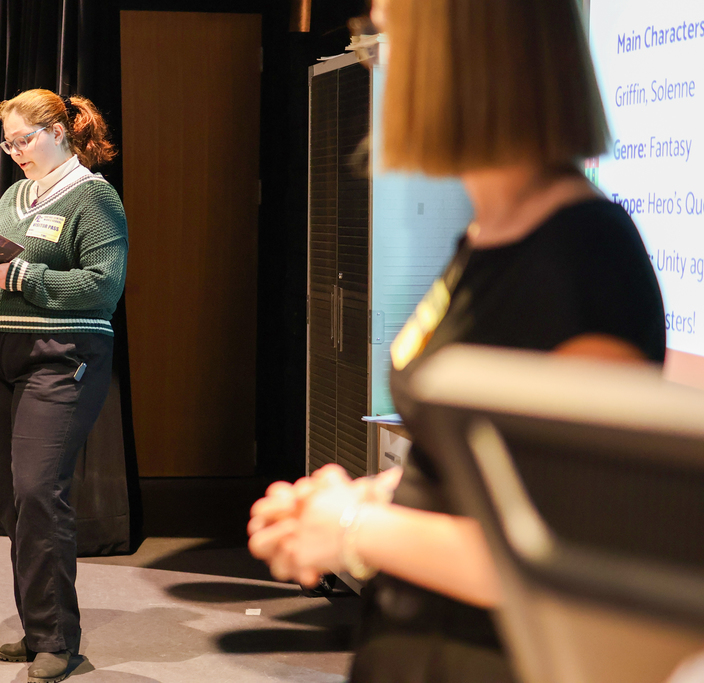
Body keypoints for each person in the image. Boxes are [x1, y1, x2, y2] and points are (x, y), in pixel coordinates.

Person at [248, 0, 666, 681]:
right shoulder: (486, 235)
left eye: (386, 35)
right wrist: (362, 497)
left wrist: (353, 528)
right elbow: (474, 469)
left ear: (465, 53)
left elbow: (570, 549)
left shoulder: (585, 255)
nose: (374, 55)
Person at [0, 89, 127, 683]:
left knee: (37, 489)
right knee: (10, 498)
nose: (16, 151)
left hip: (60, 356)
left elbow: (103, 286)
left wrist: (22, 272)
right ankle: (36, 628)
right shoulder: (14, 195)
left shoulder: (94, 197)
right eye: (8, 143)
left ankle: (58, 639)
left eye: (25, 138)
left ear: (60, 131)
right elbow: (1, 284)